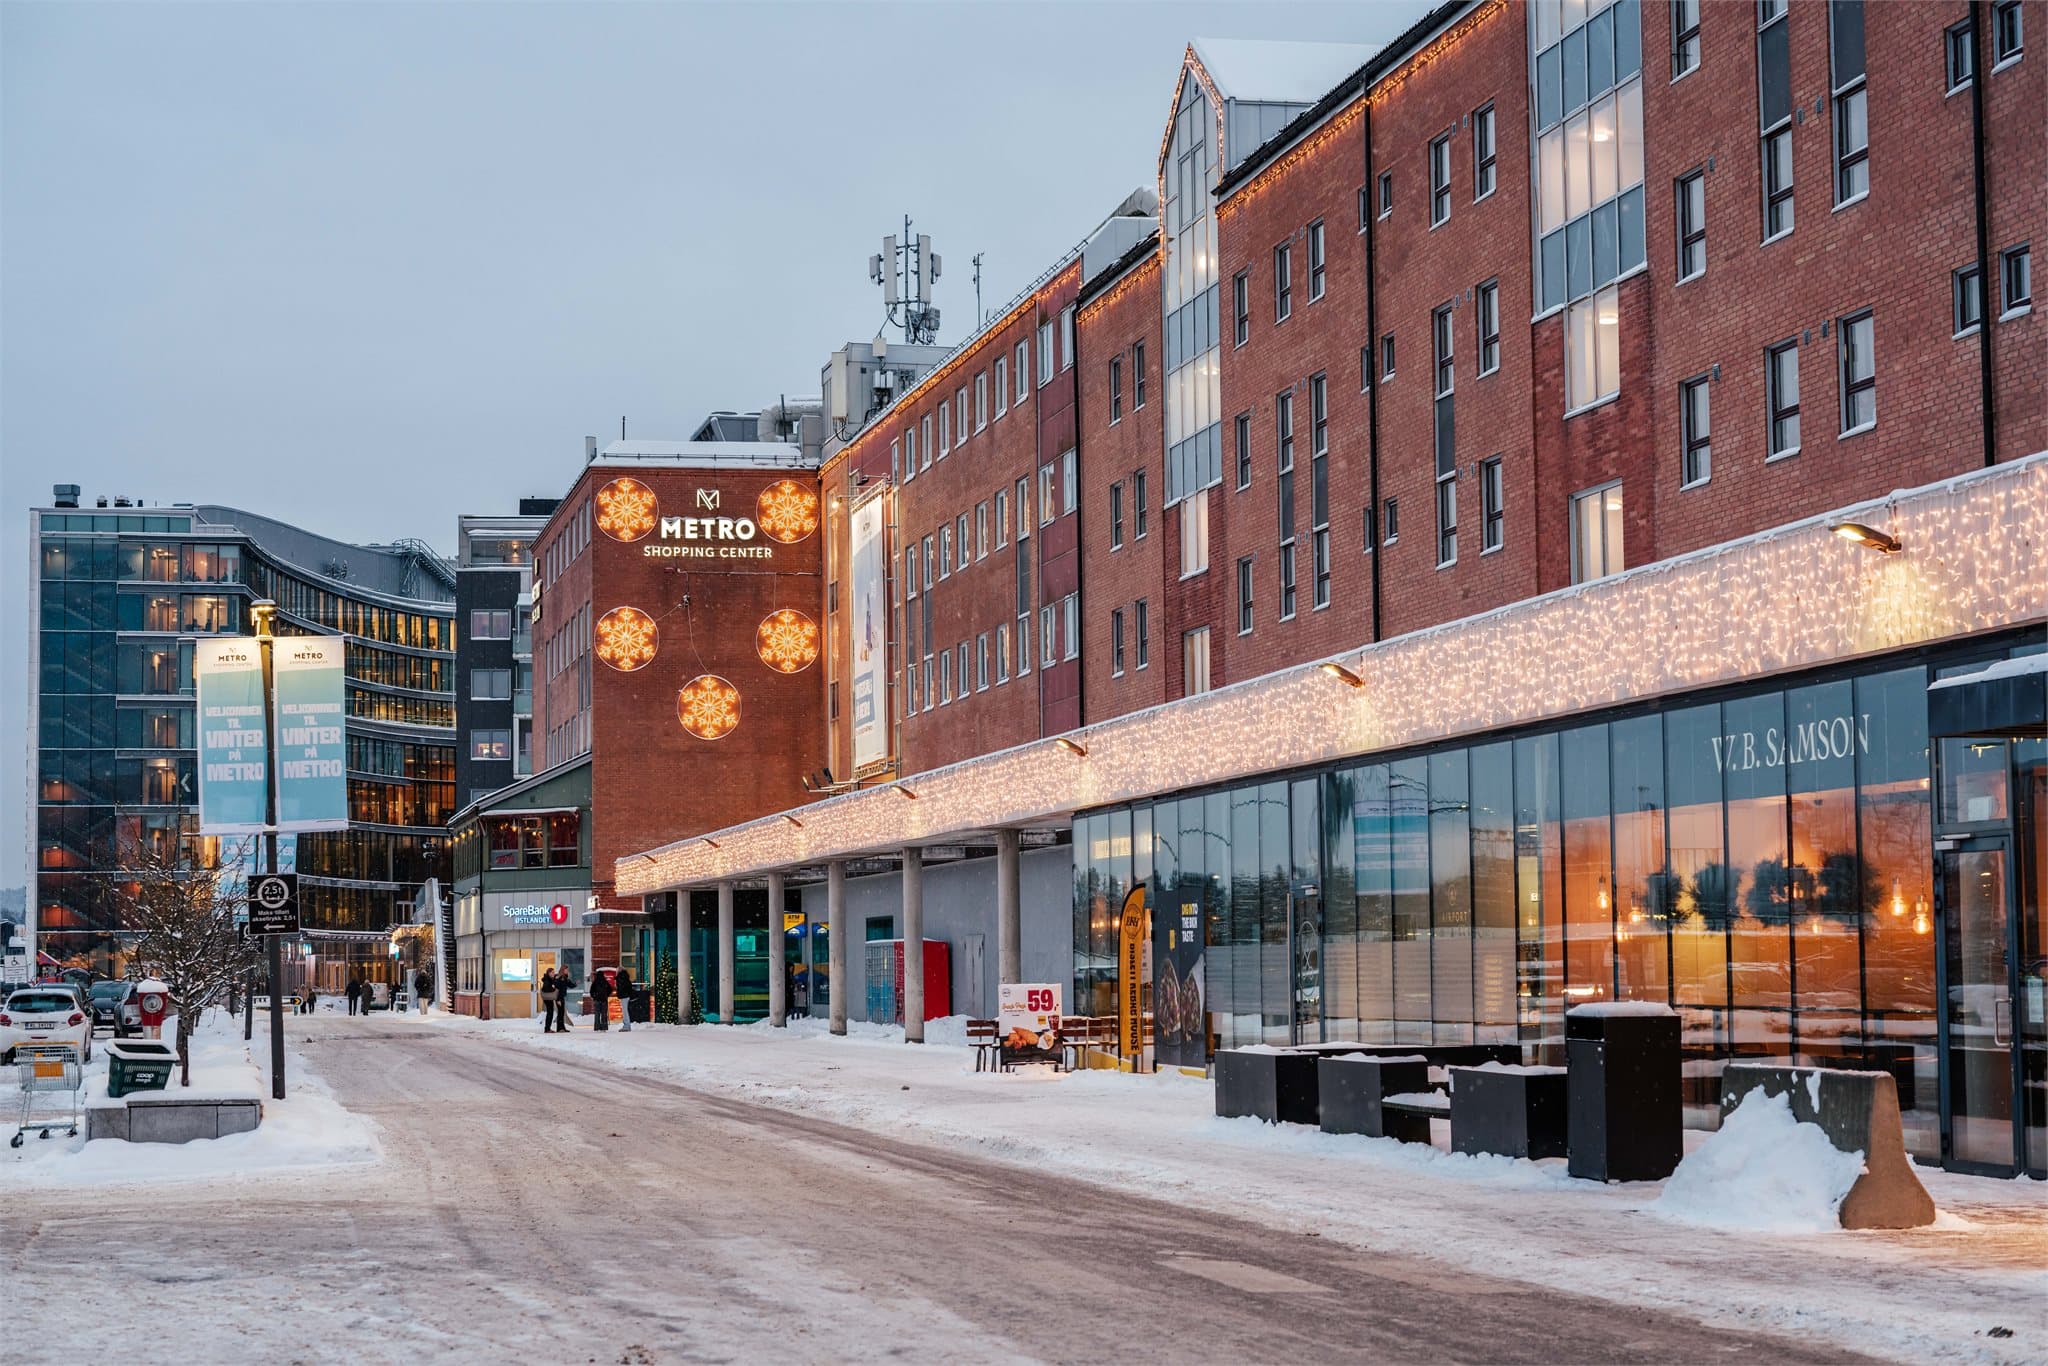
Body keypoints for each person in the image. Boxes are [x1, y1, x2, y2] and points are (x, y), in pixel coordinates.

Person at [538, 968, 560, 1033]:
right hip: (548, 998)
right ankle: (547, 1029)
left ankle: (547, 1028)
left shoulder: (550, 979)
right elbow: (546, 988)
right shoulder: (547, 980)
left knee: (550, 1013)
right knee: (550, 1013)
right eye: (552, 972)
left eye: (553, 972)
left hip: (548, 998)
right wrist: (554, 988)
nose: (553, 973)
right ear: (549, 973)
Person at [615, 968, 635, 1032]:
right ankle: (627, 1025)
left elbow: (621, 987)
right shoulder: (625, 977)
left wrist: (619, 993)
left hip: (624, 996)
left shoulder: (620, 977)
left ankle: (626, 1026)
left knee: (625, 1011)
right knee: (625, 1011)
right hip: (626, 995)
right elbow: (628, 986)